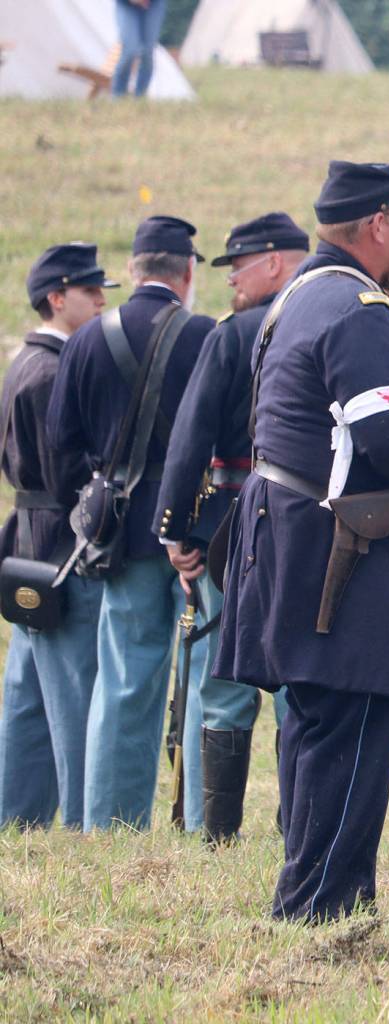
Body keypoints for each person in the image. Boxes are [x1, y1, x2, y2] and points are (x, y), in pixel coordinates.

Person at [213, 161, 389, 923]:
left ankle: (314, 898)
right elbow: (386, 427)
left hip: (286, 530)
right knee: (355, 724)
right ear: (378, 225)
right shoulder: (361, 308)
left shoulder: (299, 294)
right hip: (337, 545)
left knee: (315, 721)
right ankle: (322, 907)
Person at [46, 215, 216, 833]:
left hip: (120, 535)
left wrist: (94, 507)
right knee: (204, 680)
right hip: (196, 533)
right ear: (188, 272)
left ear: (136, 271)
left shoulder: (88, 338)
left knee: (122, 684)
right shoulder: (203, 334)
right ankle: (204, 823)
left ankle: (110, 822)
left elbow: (61, 444)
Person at [155, 212, 310, 844]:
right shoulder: (328, 321)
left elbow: (189, 438)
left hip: (228, 529)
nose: (230, 283)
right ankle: (293, 828)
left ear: (274, 262)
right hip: (309, 527)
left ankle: (216, 835)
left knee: (223, 681)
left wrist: (175, 528)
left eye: (238, 268)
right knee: (300, 681)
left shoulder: (234, 333)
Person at [0, 244, 117, 830]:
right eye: (89, 290)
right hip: (59, 552)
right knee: (73, 700)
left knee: (26, 701)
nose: (100, 299)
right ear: (56, 297)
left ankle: (16, 818)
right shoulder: (50, 370)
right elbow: (68, 473)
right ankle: (77, 821)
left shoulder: (25, 361)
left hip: (30, 547)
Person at [112, 0, 168, 99]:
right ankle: (118, 97)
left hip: (154, 4)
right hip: (125, 4)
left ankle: (140, 97)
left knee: (147, 51)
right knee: (130, 49)